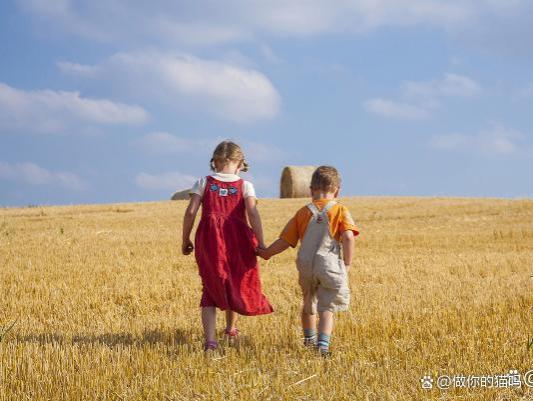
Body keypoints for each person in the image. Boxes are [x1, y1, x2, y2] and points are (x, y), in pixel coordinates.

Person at [182, 140, 273, 352]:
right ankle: (231, 329)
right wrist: (261, 242)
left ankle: (210, 341)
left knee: (211, 284)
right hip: (238, 239)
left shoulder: (203, 182)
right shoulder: (245, 185)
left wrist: (185, 239)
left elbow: (190, 212)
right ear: (240, 164)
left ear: (214, 162)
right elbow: (253, 213)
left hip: (209, 239)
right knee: (234, 279)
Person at [257, 166, 358, 356]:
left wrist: (267, 253)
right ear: (337, 191)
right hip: (328, 265)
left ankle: (308, 340)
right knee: (327, 307)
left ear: (310, 190)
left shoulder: (303, 213)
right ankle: (322, 345)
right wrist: (347, 263)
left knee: (308, 302)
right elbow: (348, 237)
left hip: (305, 265)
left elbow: (285, 240)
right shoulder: (340, 210)